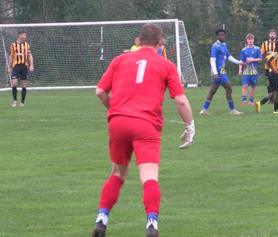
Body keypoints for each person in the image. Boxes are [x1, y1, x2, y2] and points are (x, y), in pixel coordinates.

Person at [92, 23, 195, 237]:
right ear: (160, 44)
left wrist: (114, 110)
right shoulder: (165, 65)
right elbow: (181, 100)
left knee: (117, 174)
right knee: (149, 177)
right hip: (146, 125)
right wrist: (190, 126)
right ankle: (152, 224)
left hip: (118, 122)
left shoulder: (119, 60)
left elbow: (100, 91)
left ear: (138, 41)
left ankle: (102, 218)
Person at [200, 29, 244, 116]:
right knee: (229, 88)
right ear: (217, 36)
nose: (222, 36)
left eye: (223, 35)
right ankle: (232, 110)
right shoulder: (215, 46)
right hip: (218, 71)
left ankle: (204, 109)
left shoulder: (224, 45)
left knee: (213, 91)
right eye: (220, 35)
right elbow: (212, 60)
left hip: (222, 70)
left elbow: (229, 56)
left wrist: (239, 62)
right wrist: (215, 73)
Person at [255, 40, 278, 114]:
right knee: (277, 93)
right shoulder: (276, 54)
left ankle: (259, 103)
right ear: (276, 46)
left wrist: (273, 68)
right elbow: (268, 61)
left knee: (272, 92)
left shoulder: (274, 53)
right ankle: (276, 110)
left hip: (272, 74)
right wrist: (273, 69)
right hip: (276, 75)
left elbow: (266, 59)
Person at [8, 31, 34, 107]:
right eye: (24, 35)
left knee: (24, 85)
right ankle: (15, 100)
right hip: (16, 66)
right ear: (20, 35)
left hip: (24, 67)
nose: (25, 37)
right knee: (14, 83)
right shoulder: (13, 45)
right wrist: (9, 67)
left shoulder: (26, 45)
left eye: (26, 35)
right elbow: (10, 57)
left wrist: (31, 65)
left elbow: (30, 56)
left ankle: (22, 102)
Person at [238, 33, 262, 105]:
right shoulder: (243, 50)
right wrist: (240, 69)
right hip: (246, 71)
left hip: (254, 71)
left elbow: (260, 59)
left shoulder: (257, 49)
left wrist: (252, 60)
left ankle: (251, 100)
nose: (250, 41)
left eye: (251, 39)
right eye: (249, 39)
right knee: (244, 85)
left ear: (253, 40)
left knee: (253, 86)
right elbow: (241, 61)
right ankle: (244, 100)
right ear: (247, 40)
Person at [260, 29, 278, 98]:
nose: (272, 35)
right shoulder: (265, 44)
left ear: (276, 35)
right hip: (268, 66)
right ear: (269, 35)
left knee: (276, 82)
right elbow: (261, 54)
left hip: (276, 67)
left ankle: (274, 98)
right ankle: (270, 98)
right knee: (269, 82)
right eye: (271, 34)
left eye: (274, 34)